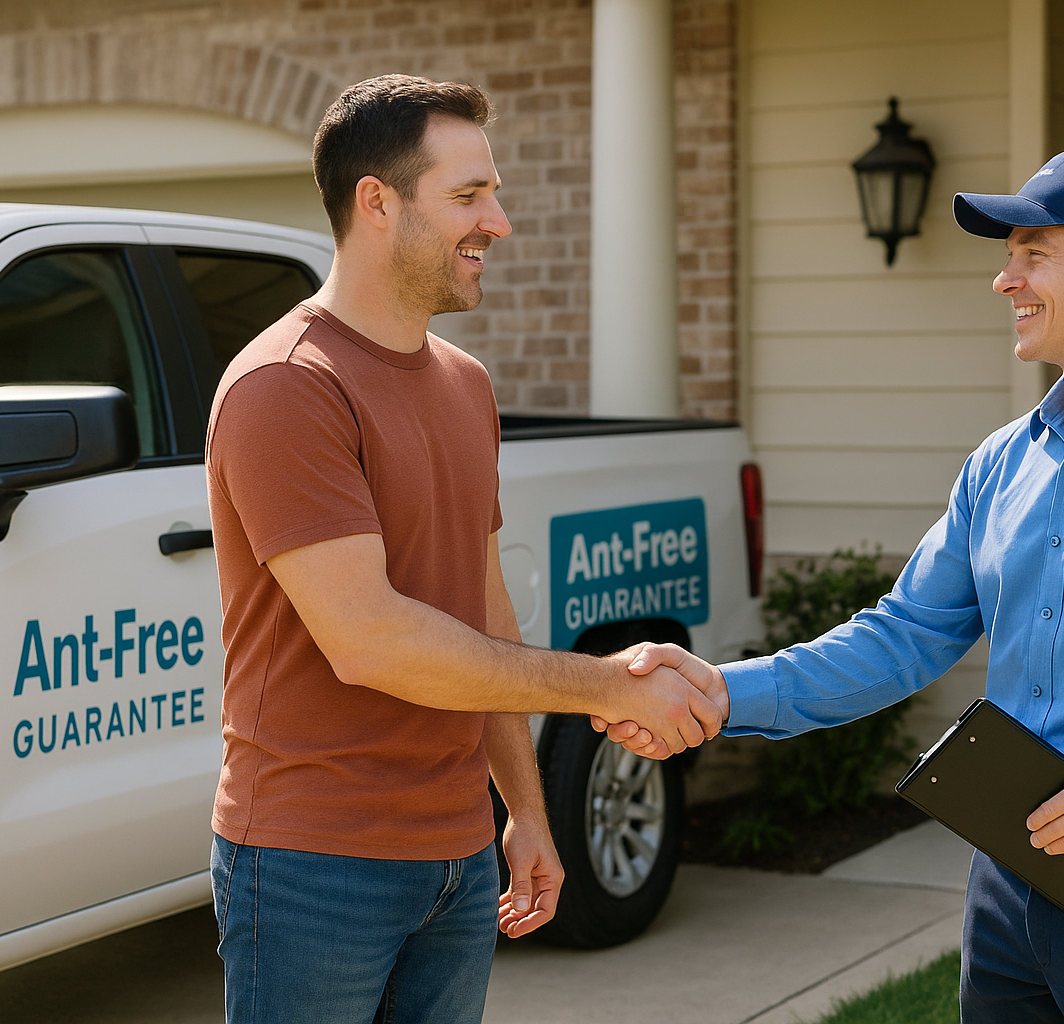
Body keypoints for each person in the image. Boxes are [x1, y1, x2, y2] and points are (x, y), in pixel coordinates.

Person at [608, 150, 1064, 1023]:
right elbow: (905, 633)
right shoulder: (1002, 463)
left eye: (1033, 253)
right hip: (1006, 881)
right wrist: (722, 691)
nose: (1005, 280)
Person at [204, 75, 719, 1024]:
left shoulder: (463, 384)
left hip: (454, 857)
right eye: (469, 196)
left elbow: (483, 611)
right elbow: (370, 639)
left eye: (494, 193)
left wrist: (525, 807)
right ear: (377, 202)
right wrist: (604, 686)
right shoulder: (286, 387)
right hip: (315, 862)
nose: (501, 222)